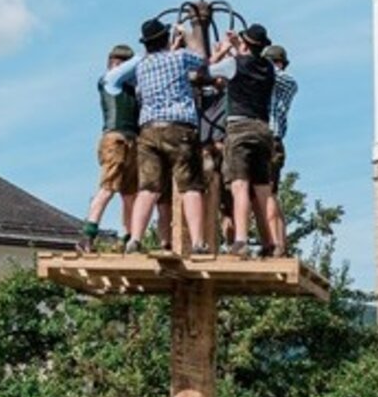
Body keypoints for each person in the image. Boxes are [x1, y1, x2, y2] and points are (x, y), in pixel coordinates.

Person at [103, 18, 210, 255]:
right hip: (179, 128)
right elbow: (202, 58)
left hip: (149, 130)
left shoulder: (141, 66)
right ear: (166, 39)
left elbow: (116, 79)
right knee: (190, 187)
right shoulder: (179, 58)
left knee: (148, 188)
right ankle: (198, 242)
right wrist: (190, 32)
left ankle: (135, 239)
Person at [207, 25, 288, 259]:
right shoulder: (268, 69)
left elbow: (208, 71)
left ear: (245, 42)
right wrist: (237, 47)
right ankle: (272, 242)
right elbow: (249, 61)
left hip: (239, 128)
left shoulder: (234, 64)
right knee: (263, 188)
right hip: (263, 130)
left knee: (239, 186)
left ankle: (241, 240)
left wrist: (223, 50)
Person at [83, 44, 140, 251]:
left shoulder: (130, 88)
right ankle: (88, 234)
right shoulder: (110, 80)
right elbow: (137, 63)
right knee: (108, 187)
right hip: (115, 138)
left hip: (132, 139)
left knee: (130, 193)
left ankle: (128, 236)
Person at [265, 43, 297, 179]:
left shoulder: (288, 82)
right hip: (257, 134)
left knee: (269, 186)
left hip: (272, 137)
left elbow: (271, 74)